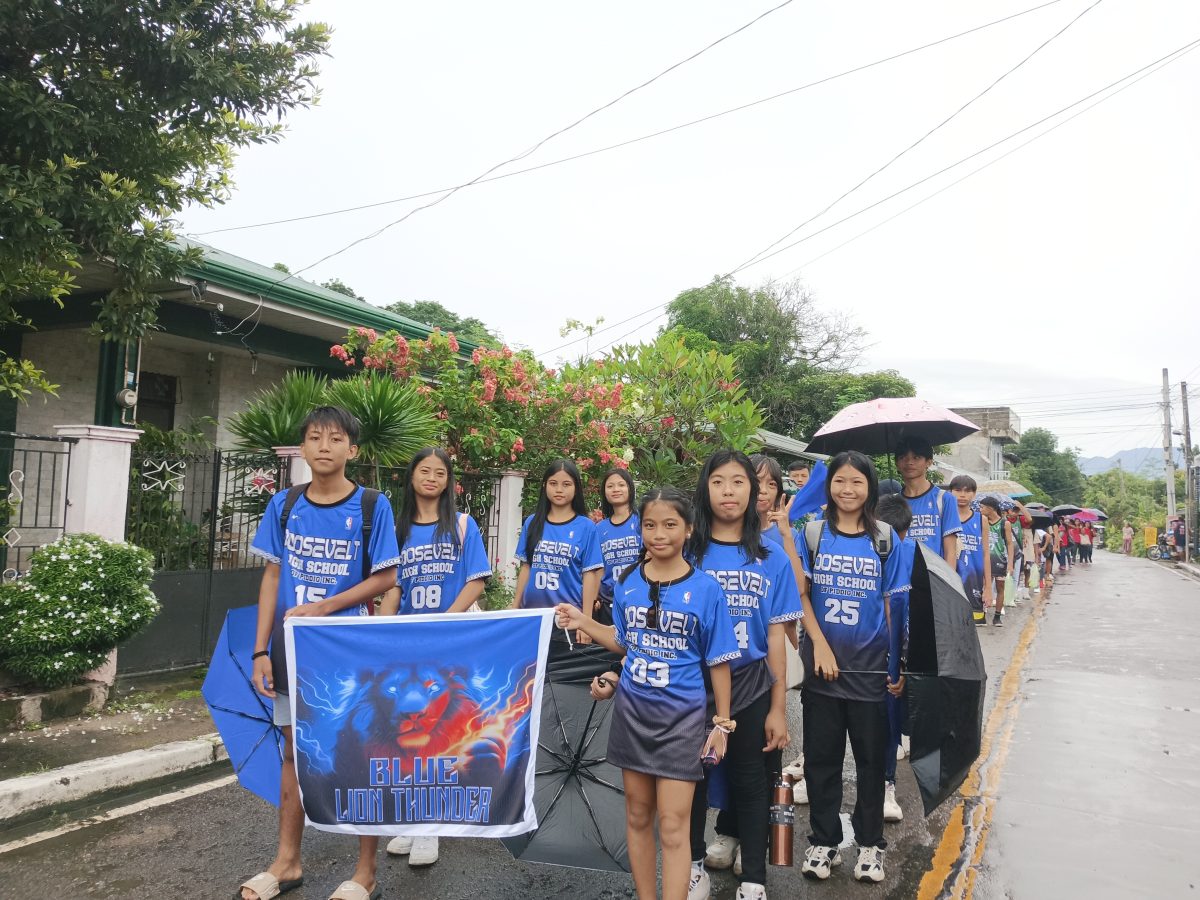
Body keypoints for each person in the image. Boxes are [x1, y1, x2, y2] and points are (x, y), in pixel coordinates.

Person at [240, 406, 401, 900]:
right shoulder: (284, 504)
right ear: (303, 448)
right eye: (314, 437)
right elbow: (272, 577)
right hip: (292, 650)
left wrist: (325, 606)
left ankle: (365, 872)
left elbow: (386, 577)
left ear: (353, 449)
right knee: (294, 753)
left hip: (349, 650)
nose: (324, 446)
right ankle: (287, 861)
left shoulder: (372, 506)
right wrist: (260, 650)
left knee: (358, 754)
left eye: (334, 438)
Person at [555, 487, 738, 900]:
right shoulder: (627, 581)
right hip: (632, 714)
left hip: (682, 720)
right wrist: (583, 621)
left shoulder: (707, 589)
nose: (659, 534)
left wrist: (722, 724)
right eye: (650, 525)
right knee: (637, 816)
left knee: (673, 825)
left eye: (670, 524)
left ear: (688, 529)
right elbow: (624, 642)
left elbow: (719, 661)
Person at [796, 451, 911, 885]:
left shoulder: (885, 538)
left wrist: (897, 664)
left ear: (870, 487)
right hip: (822, 671)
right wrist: (820, 647)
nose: (847, 489)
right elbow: (801, 596)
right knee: (821, 761)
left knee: (870, 763)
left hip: (870, 673)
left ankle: (869, 844)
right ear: (829, 486)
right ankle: (824, 841)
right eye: (840, 481)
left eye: (857, 482)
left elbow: (894, 605)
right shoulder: (812, 534)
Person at [692, 451, 802, 900]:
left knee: (751, 781)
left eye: (738, 482)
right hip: (693, 685)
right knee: (692, 781)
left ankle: (754, 879)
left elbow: (775, 638)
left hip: (752, 684)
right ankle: (692, 868)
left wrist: (778, 708)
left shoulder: (771, 557)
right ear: (705, 489)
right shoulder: (688, 551)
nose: (728, 491)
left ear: (753, 492)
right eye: (718, 481)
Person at [380, 446, 491, 868]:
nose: (431, 478)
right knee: (406, 733)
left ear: (448, 482)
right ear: (411, 477)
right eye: (424, 471)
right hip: (408, 645)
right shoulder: (397, 530)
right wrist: (382, 634)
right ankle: (415, 819)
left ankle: (430, 826)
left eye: (439, 473)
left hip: (447, 644)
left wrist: (445, 622)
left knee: (438, 733)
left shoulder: (462, 525)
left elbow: (476, 582)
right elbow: (392, 589)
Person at [513, 459, 603, 645]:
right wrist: (515, 606)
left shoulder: (586, 527)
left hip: (568, 619)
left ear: (576, 488)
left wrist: (586, 622)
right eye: (553, 483)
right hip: (533, 617)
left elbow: (589, 575)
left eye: (566, 484)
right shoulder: (532, 522)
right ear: (544, 486)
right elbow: (526, 567)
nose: (559, 489)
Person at [874, 493, 918, 826]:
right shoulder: (859, 551)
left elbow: (913, 618)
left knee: (888, 724)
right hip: (860, 653)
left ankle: (887, 785)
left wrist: (905, 665)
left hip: (893, 658)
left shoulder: (914, 555)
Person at [893, 436, 960, 566]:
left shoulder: (944, 499)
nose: (909, 462)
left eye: (916, 457)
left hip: (934, 574)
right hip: (902, 574)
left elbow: (950, 550)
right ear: (897, 463)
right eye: (903, 457)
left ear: (929, 462)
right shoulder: (893, 502)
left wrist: (949, 578)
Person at [596, 468, 642, 627]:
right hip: (608, 603)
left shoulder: (643, 522)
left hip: (639, 600)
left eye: (621, 485)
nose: (616, 489)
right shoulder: (599, 529)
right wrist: (595, 597)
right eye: (610, 486)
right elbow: (598, 568)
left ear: (630, 488)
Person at [948, 476, 991, 626]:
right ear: (950, 492)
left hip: (974, 584)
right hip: (950, 583)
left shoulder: (981, 520)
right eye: (958, 490)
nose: (962, 495)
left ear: (974, 494)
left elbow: (985, 554)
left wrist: (988, 588)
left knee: (973, 630)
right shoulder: (943, 517)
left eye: (967, 491)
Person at [979, 497, 1013, 627]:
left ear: (990, 508)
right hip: (985, 559)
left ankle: (997, 616)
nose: (980, 509)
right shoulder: (982, 521)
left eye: (982, 507)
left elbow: (1009, 544)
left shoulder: (1005, 523)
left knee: (1000, 588)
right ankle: (981, 614)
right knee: (983, 586)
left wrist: (1010, 563)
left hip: (999, 559)